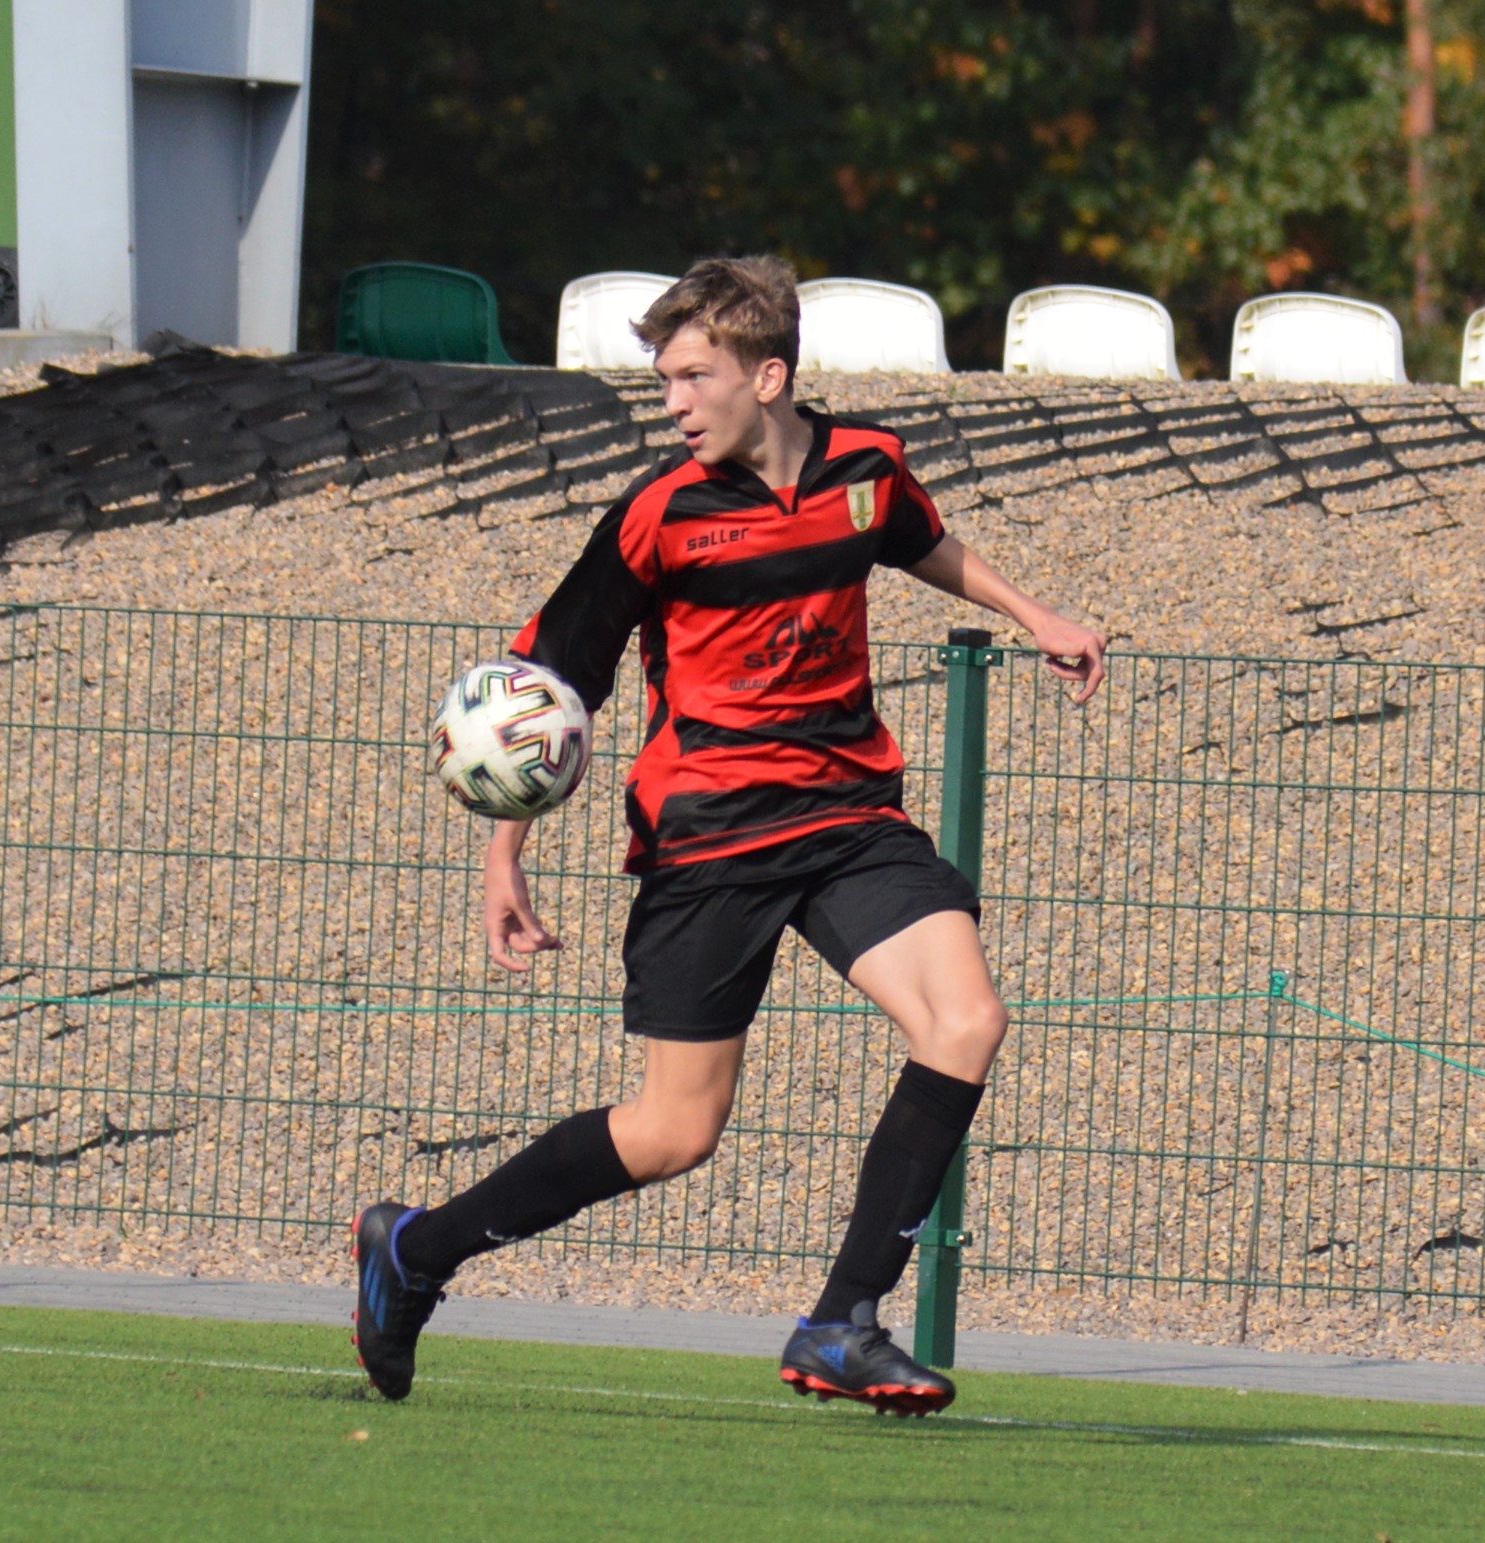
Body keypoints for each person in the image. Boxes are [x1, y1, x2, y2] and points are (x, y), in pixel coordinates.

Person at [352, 255, 1105, 1414]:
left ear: (768, 375)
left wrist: (1033, 613)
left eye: (692, 377)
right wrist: (504, 855)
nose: (673, 402)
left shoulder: (865, 467)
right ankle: (416, 1247)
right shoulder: (658, 514)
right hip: (707, 836)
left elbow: (916, 540)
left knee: (965, 1020)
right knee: (672, 1132)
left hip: (847, 816)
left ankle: (842, 1322)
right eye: (664, 380)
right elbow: (550, 682)